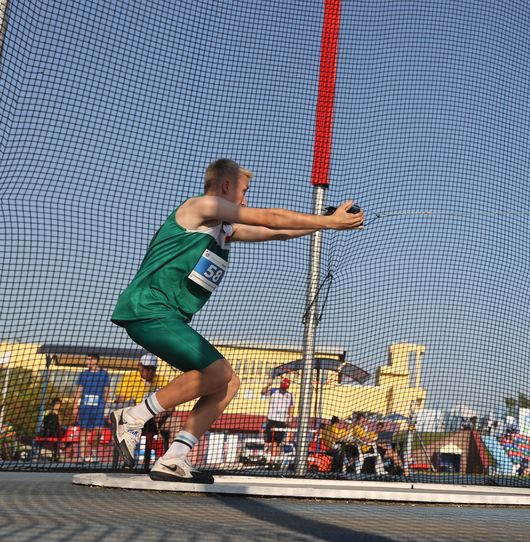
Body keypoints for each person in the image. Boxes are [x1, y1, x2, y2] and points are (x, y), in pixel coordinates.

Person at [109, 159, 364, 483]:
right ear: (227, 187)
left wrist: (325, 222)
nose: (245, 200)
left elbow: (279, 231)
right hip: (148, 310)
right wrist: (330, 224)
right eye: (244, 192)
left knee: (228, 383)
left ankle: (174, 458)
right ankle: (132, 416)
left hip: (168, 317)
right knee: (218, 373)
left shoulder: (222, 229)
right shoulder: (201, 208)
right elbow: (270, 217)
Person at [115, 354, 169, 469]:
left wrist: (163, 413)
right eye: (147, 367)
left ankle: (168, 461)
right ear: (140, 366)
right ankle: (127, 461)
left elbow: (171, 401)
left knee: (175, 424)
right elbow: (119, 399)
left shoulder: (161, 380)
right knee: (125, 423)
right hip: (133, 416)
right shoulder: (129, 378)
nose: (149, 371)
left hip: (156, 418)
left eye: (152, 368)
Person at [72, 353, 110, 463]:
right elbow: (78, 391)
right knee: (83, 430)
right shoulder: (83, 374)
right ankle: (82, 456)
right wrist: (75, 406)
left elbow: (106, 391)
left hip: (99, 407)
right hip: (85, 407)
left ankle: (93, 452)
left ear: (95, 361)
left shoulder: (104, 374)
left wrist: (107, 407)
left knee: (98, 431)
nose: (87, 362)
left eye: (89, 360)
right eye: (87, 359)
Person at [260, 378, 294, 467]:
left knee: (277, 441)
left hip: (282, 421)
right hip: (272, 419)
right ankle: (266, 455)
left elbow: (291, 407)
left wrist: (289, 419)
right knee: (268, 439)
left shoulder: (289, 395)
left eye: (285, 388)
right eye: (282, 388)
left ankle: (274, 460)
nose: (283, 390)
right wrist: (268, 385)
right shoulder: (273, 390)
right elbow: (263, 392)